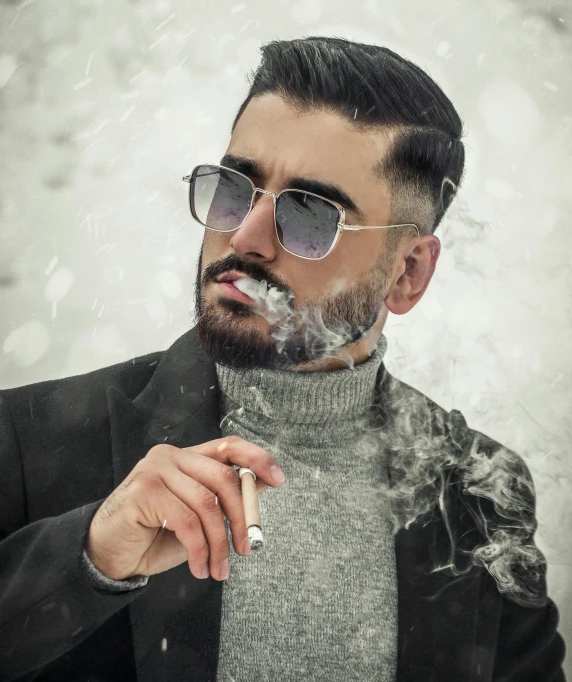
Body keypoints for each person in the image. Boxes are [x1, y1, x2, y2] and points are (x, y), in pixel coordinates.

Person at [0, 36, 566, 682]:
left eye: (309, 212)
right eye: (234, 187)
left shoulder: (477, 487)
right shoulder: (31, 437)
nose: (244, 236)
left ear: (408, 271)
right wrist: (92, 554)